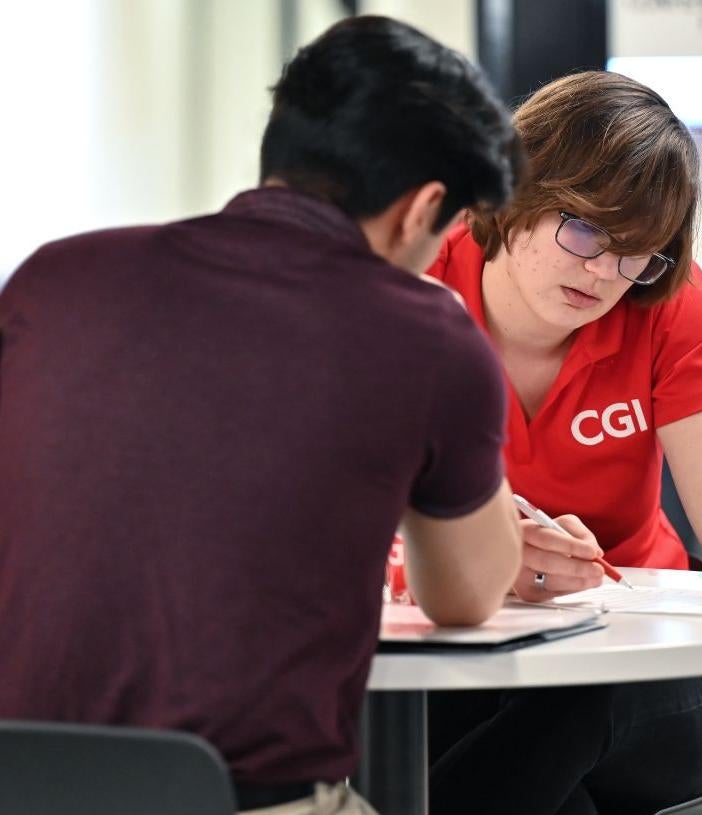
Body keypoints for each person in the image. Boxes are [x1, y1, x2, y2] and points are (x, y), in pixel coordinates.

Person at [0, 16, 524, 815]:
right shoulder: (425, 330)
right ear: (423, 209)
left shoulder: (51, 278)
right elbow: (463, 596)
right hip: (238, 798)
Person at [426, 70, 702, 815]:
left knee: (565, 710)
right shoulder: (413, 281)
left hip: (638, 666)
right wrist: (474, 549)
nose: (607, 272)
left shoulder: (671, 302)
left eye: (637, 251)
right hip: (456, 653)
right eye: (585, 230)